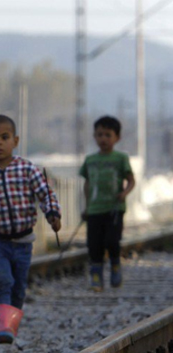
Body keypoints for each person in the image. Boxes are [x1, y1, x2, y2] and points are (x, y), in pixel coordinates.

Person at [0, 114, 61, 344]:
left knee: (19, 286)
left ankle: (11, 321)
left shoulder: (27, 169)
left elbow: (45, 194)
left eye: (4, 137)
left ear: (15, 140)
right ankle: (3, 325)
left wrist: (52, 214)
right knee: (2, 279)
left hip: (23, 241)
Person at [80, 116, 135, 291]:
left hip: (114, 208)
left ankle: (115, 265)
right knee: (94, 244)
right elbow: (87, 184)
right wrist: (87, 207)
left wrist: (124, 193)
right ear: (94, 136)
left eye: (107, 135)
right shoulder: (90, 160)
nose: (103, 138)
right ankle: (96, 277)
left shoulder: (121, 159)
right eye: (99, 134)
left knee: (112, 240)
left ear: (117, 138)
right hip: (95, 210)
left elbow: (131, 180)